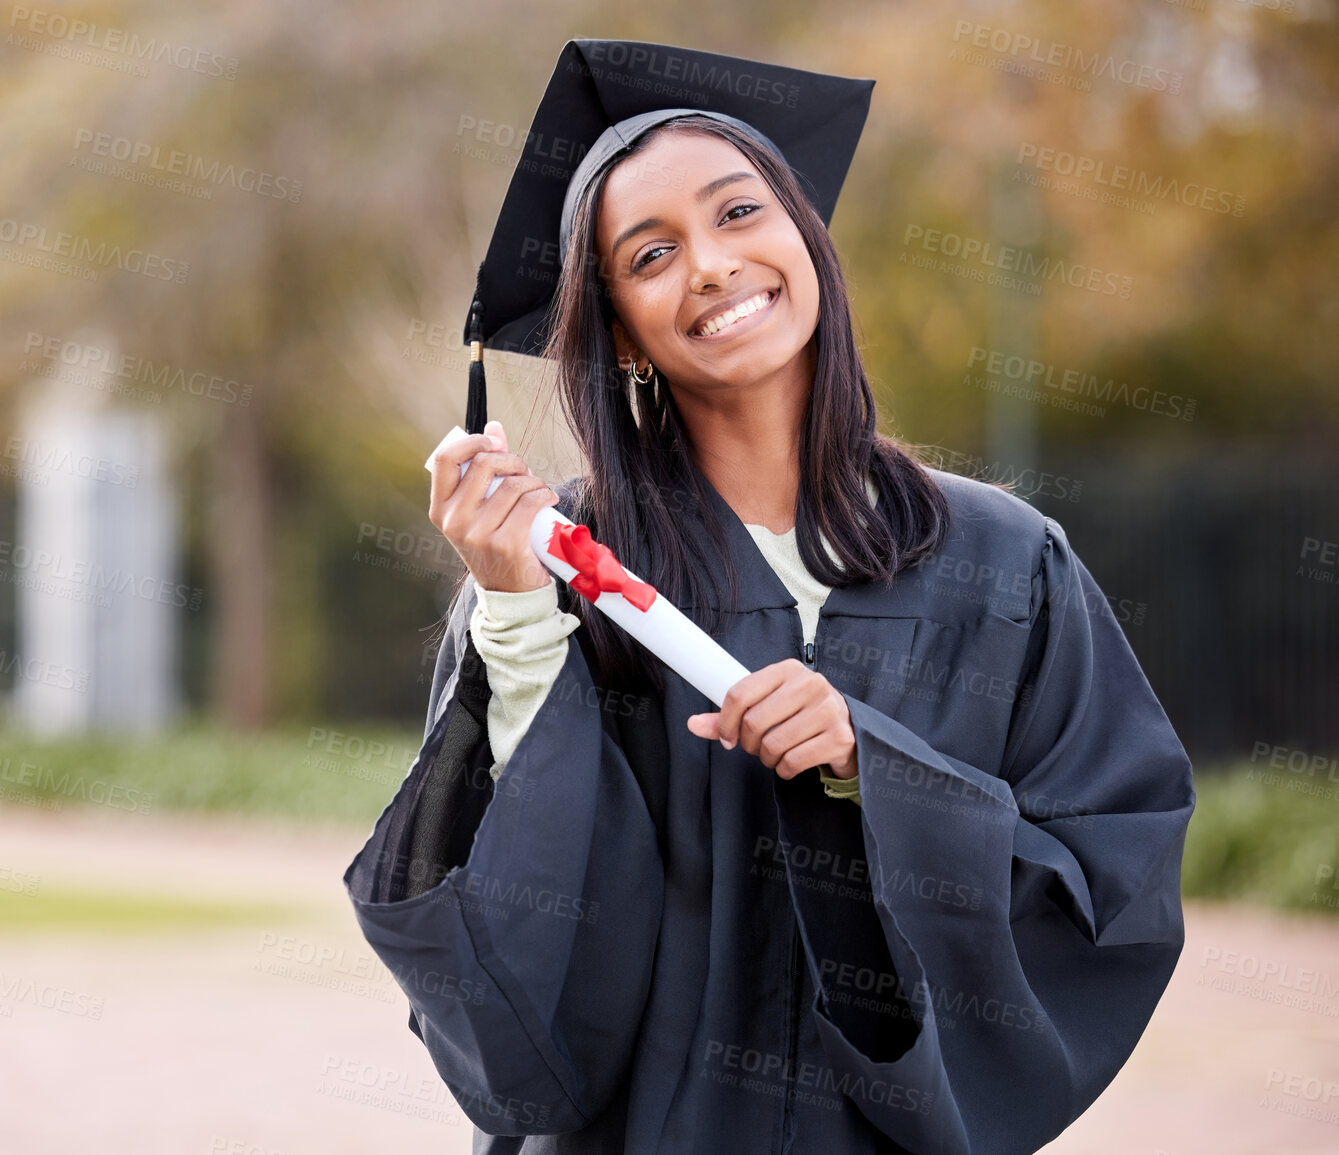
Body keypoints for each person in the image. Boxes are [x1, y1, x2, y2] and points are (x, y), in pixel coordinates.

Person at [343, 39, 1195, 1155]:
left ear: (806, 238)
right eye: (650, 255)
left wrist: (871, 771)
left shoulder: (1005, 562)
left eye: (738, 213)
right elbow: (513, 950)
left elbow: (1110, 880)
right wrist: (512, 614)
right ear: (621, 330)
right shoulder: (557, 564)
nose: (708, 264)